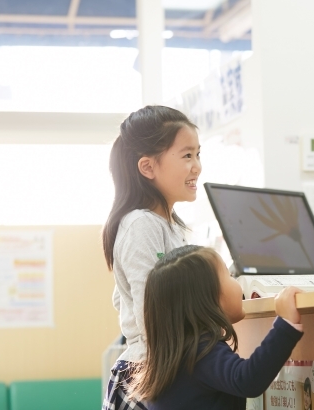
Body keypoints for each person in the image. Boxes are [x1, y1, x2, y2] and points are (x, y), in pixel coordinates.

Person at [101, 105, 202, 409]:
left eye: (198, 154)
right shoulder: (140, 225)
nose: (197, 166)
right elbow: (150, 313)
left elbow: (122, 298)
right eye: (187, 156)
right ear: (148, 167)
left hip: (162, 368)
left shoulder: (171, 227)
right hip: (149, 373)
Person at [131, 245, 304, 410]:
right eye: (230, 275)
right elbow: (247, 380)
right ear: (209, 298)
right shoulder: (199, 353)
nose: (237, 282)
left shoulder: (175, 357)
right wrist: (285, 324)